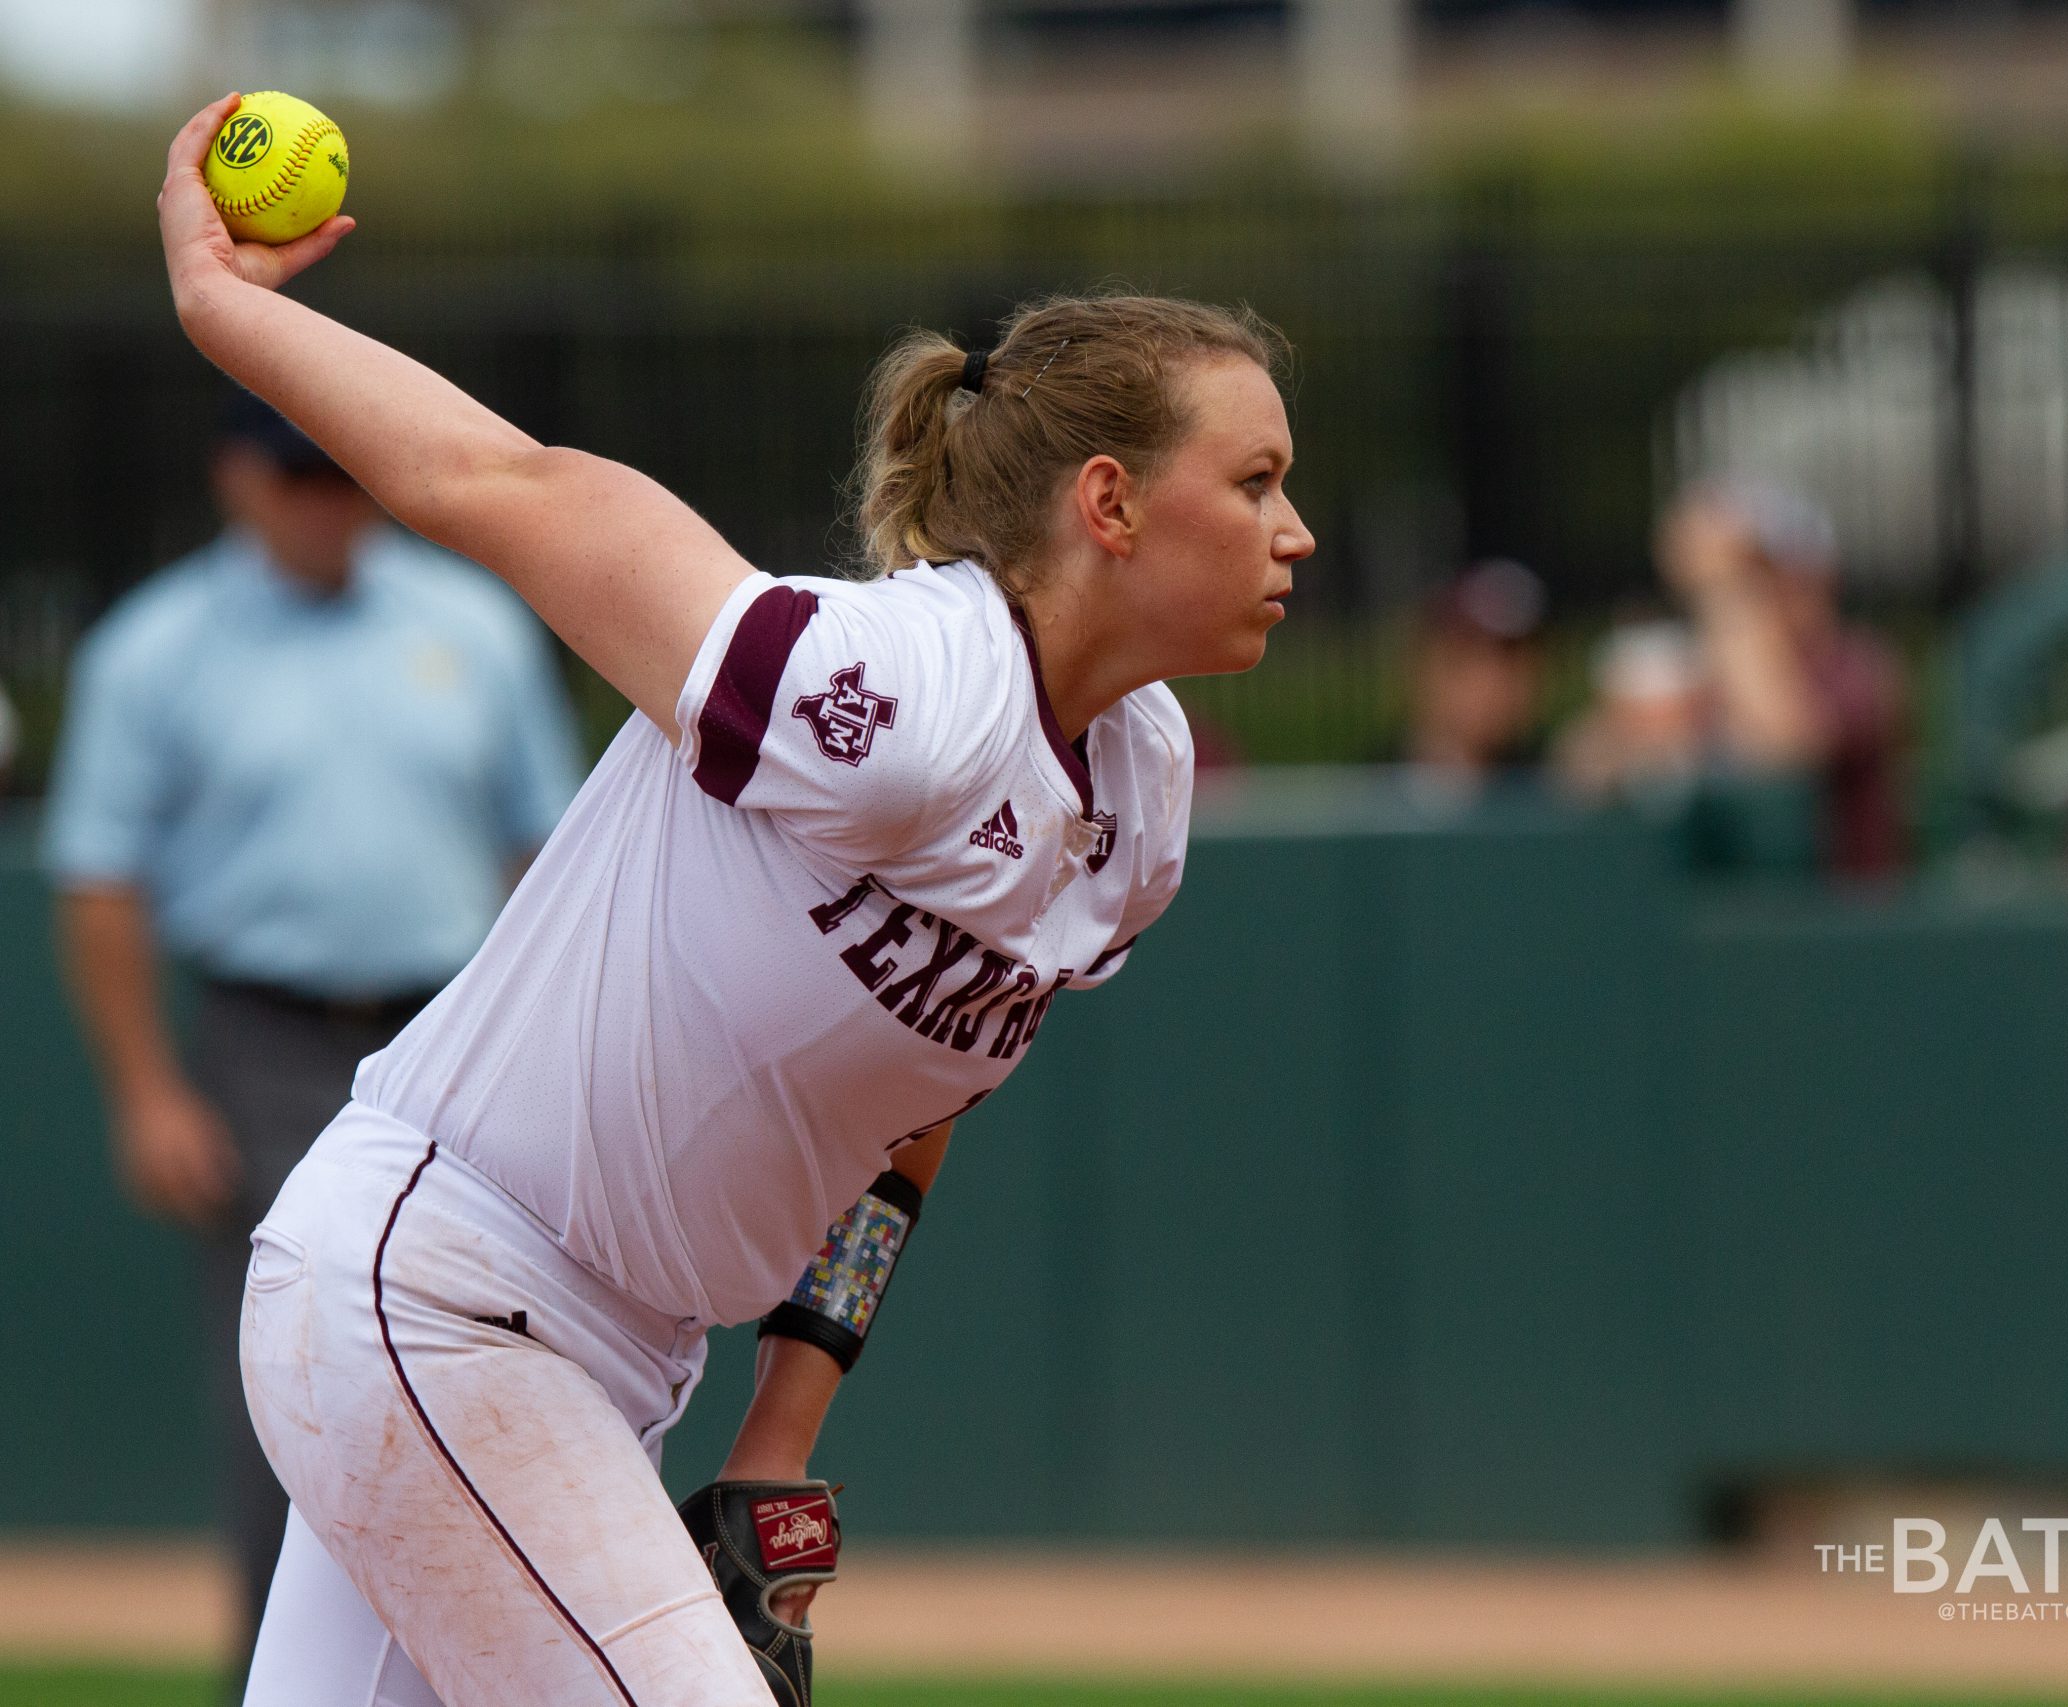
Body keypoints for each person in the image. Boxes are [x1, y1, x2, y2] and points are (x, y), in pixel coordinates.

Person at [156, 94, 1311, 1707]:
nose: (1294, 529)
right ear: (1109, 503)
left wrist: (778, 1439)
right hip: (433, 1291)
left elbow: (908, 1112)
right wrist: (224, 310)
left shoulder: (1142, 797)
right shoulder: (906, 687)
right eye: (1253, 480)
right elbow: (512, 482)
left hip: (598, 1357)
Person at [42, 390, 581, 1683]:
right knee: (292, 1407)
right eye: (297, 478)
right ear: (239, 479)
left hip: (454, 1038)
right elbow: (99, 877)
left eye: (342, 476)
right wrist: (146, 1088)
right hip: (267, 1042)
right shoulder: (157, 648)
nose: (326, 503)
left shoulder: (471, 624)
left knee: (493, 1381)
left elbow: (548, 851)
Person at [1557, 481, 1907, 878]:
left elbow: (1790, 746)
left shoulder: (1854, 663)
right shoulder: (1711, 669)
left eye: (1758, 574)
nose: (1772, 591)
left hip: (1841, 917)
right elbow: (1582, 762)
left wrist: (1726, 597)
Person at [1394, 558, 1550, 799]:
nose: (1495, 681)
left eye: (1510, 660)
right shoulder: (1359, 793)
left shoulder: (1555, 788)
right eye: (1468, 656)